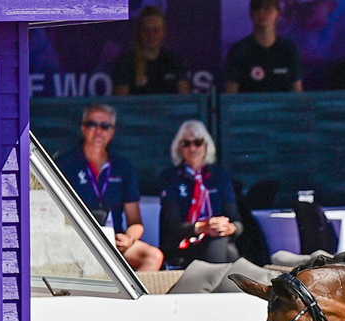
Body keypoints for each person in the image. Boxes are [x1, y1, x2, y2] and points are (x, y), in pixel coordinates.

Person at [55, 103, 164, 272]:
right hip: (77, 239)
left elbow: (135, 222)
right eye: (92, 124)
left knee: (153, 256)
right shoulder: (65, 163)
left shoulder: (123, 166)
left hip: (114, 241)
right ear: (83, 129)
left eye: (105, 126)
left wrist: (129, 239)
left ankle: (133, 298)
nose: (98, 131)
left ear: (112, 132)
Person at [158, 120, 243, 268]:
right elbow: (171, 227)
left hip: (218, 240)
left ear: (206, 146)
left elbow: (237, 221)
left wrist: (229, 228)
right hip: (184, 244)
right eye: (186, 144)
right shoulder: (170, 177)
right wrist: (203, 227)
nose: (192, 148)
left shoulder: (220, 176)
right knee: (228, 251)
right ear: (180, 148)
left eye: (197, 142)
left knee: (221, 243)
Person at [223, 0, 303, 93]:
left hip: (282, 107)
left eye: (267, 8)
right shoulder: (239, 51)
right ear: (251, 13)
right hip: (249, 107)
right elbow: (230, 98)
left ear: (278, 13)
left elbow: (297, 95)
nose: (261, 12)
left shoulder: (289, 50)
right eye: (257, 8)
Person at [112, 5, 190, 96]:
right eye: (146, 30)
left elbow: (186, 100)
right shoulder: (126, 62)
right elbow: (121, 104)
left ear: (164, 32)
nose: (151, 35)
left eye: (155, 30)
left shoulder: (175, 61)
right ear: (139, 32)